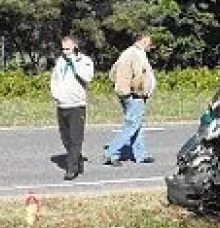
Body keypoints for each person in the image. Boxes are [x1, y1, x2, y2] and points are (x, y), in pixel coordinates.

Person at [104, 33, 156, 165]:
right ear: (143, 41)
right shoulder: (137, 54)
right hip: (135, 95)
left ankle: (140, 154)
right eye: (148, 42)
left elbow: (112, 73)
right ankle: (112, 153)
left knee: (136, 124)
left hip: (125, 93)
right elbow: (139, 75)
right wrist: (142, 92)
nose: (150, 45)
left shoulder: (126, 53)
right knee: (132, 124)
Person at [49, 35, 95, 180]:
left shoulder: (85, 61)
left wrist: (75, 62)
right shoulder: (60, 61)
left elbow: (87, 77)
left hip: (77, 105)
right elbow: (55, 79)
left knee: (76, 138)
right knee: (65, 138)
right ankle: (77, 160)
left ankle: (71, 169)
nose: (65, 51)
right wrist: (55, 93)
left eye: (68, 48)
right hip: (62, 104)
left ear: (74, 46)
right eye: (63, 49)